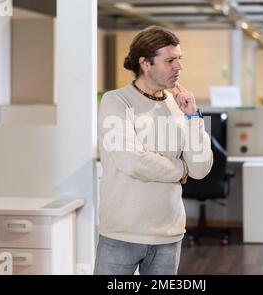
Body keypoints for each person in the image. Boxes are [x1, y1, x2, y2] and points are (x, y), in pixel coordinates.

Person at [95, 26, 213, 275]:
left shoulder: (179, 105)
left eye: (180, 59)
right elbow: (132, 161)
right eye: (170, 60)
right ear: (145, 63)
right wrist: (181, 168)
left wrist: (193, 117)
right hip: (121, 233)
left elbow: (201, 169)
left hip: (168, 235)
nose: (179, 66)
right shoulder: (116, 101)